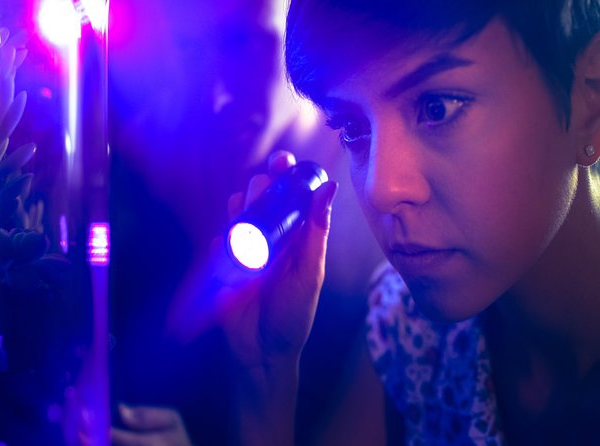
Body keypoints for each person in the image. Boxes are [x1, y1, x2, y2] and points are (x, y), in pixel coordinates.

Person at [221, 0, 600, 444]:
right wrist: (267, 375)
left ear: (589, 101)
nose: (380, 189)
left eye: (437, 108)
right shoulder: (409, 328)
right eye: (354, 129)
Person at [107, 0, 382, 444]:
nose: (216, 92)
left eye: (244, 45)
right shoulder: (150, 167)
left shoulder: (380, 219)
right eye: (194, 50)